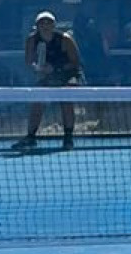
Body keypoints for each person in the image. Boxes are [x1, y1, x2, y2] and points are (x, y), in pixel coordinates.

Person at [14, 10, 83, 151]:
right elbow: (29, 61)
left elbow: (75, 63)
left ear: (54, 25)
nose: (45, 25)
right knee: (37, 102)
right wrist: (38, 68)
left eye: (48, 23)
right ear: (37, 26)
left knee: (66, 100)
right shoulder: (32, 40)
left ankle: (68, 138)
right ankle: (31, 137)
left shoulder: (65, 39)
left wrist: (55, 69)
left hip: (68, 75)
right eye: (42, 23)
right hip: (46, 77)